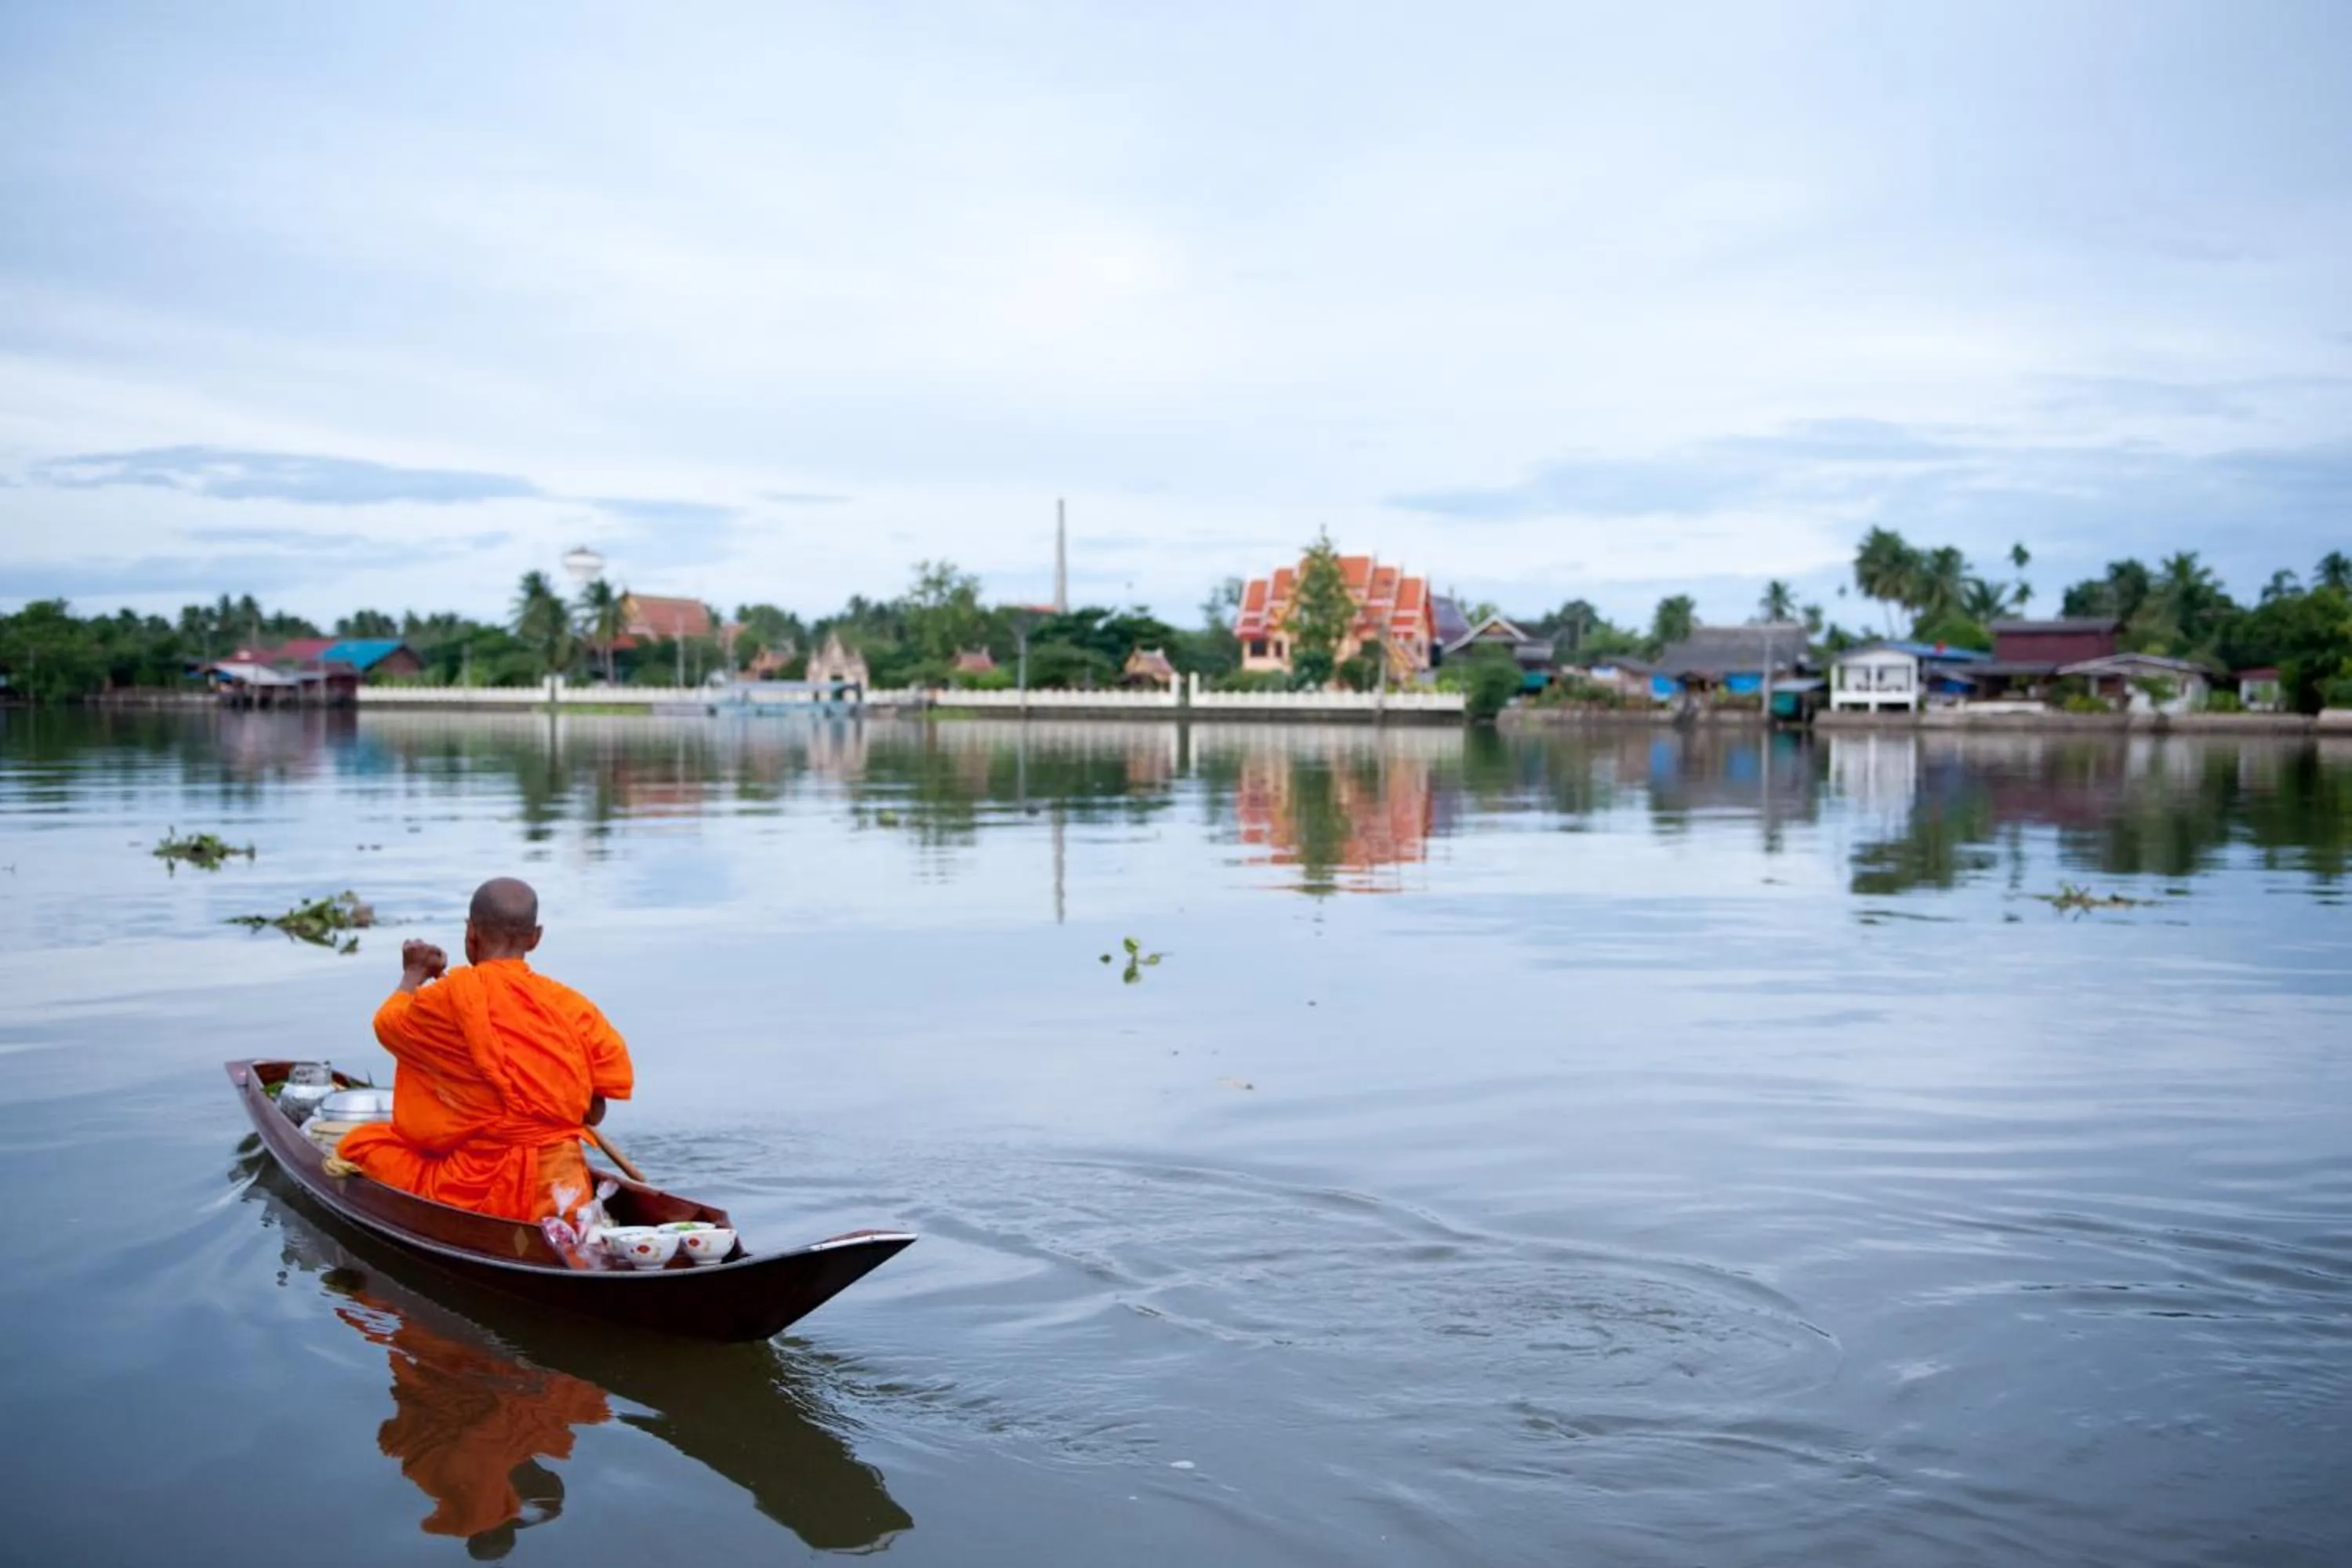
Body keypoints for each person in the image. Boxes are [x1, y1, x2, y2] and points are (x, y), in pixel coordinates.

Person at [334, 877, 633, 1222]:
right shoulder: (572, 1007)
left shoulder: (446, 997)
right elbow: (593, 1114)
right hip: (564, 1192)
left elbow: (388, 1026)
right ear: (535, 938)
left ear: (471, 933)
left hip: (476, 1194)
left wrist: (414, 974)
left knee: (362, 1143)